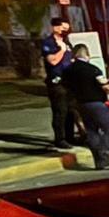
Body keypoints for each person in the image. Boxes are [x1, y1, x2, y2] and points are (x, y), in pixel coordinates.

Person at [63, 44, 109, 169]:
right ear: (87, 55)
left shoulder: (68, 71)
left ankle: (100, 161)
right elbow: (105, 85)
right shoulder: (92, 69)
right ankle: (106, 152)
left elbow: (65, 87)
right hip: (96, 104)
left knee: (92, 132)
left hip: (81, 104)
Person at [41, 18, 76, 150]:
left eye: (67, 29)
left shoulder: (67, 42)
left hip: (69, 81)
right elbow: (53, 61)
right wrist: (61, 50)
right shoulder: (48, 43)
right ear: (55, 27)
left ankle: (70, 136)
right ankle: (60, 139)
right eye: (63, 28)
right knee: (60, 111)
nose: (65, 31)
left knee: (71, 111)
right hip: (57, 81)